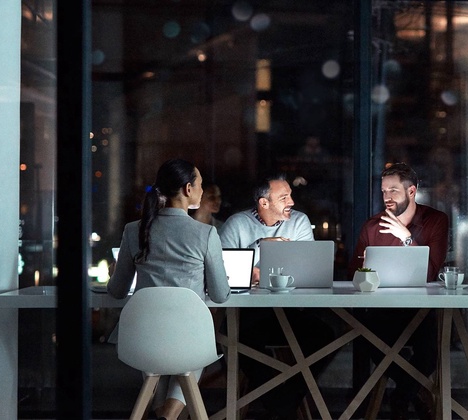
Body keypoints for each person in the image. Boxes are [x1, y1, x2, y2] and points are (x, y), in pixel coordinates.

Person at [109, 158, 229, 420]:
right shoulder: (205, 234)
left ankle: (164, 414)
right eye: (200, 184)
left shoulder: (134, 230)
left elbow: (117, 291)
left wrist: (115, 271)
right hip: (190, 340)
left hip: (141, 339)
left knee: (157, 362)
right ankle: (169, 416)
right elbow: (221, 295)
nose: (201, 189)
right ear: (188, 188)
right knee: (188, 360)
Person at [218, 173, 336, 420]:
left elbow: (307, 269)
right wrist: (261, 245)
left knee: (327, 337)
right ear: (264, 203)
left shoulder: (299, 222)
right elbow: (224, 272)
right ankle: (281, 407)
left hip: (291, 309)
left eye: (290, 195)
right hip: (247, 313)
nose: (291, 202)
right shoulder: (236, 225)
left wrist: (260, 271)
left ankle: (281, 405)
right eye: (284, 197)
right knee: (236, 340)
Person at [352, 162, 449, 420]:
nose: (387, 197)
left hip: (421, 309)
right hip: (382, 309)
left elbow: (431, 273)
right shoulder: (372, 226)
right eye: (383, 191)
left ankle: (401, 395)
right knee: (366, 335)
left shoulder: (435, 221)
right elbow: (355, 273)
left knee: (431, 352)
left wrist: (407, 238)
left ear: (411, 191)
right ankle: (412, 393)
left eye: (393, 190)